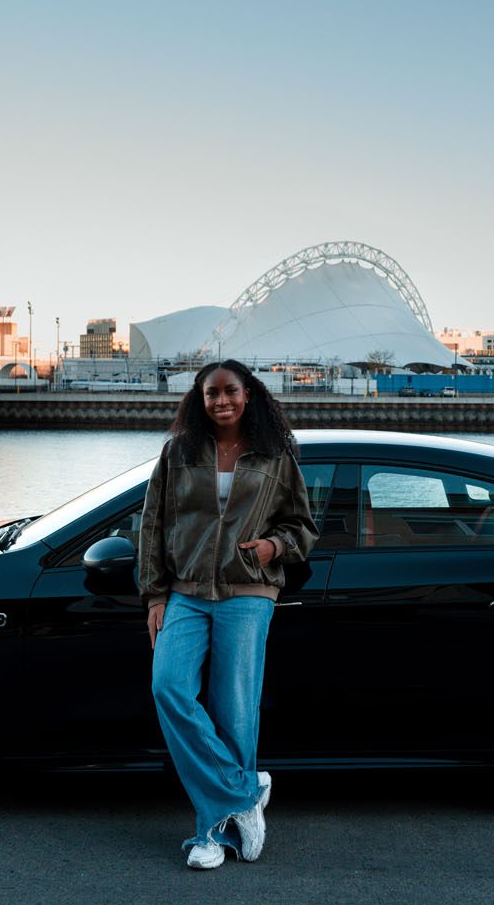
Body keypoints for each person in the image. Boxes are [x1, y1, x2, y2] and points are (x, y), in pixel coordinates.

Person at [139, 359, 318, 869]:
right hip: (187, 592)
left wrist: (271, 547)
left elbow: (303, 527)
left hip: (247, 593)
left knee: (235, 712)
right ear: (199, 400)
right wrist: (154, 595)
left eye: (230, 391)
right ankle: (245, 791)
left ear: (249, 394)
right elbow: (153, 524)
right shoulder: (178, 452)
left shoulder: (275, 453)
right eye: (211, 393)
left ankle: (212, 838)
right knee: (168, 687)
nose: (221, 401)